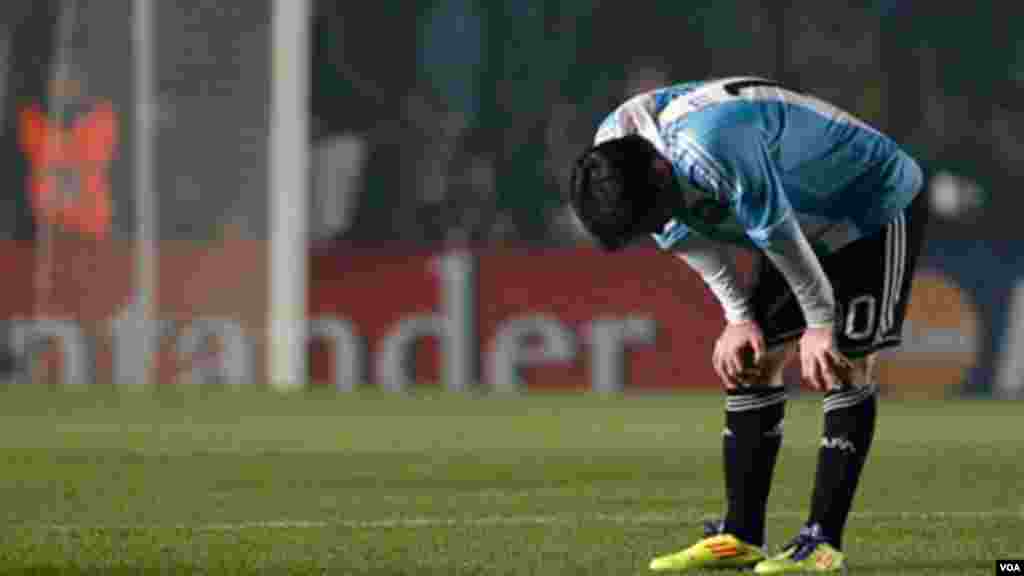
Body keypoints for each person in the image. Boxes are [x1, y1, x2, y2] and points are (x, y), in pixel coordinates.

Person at [568, 77, 927, 574]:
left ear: (659, 170)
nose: (658, 226)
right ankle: (740, 535)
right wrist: (737, 318)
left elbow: (774, 232)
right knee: (751, 361)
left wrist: (820, 324)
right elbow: (678, 233)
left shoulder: (711, 145)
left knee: (842, 361)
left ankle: (822, 542)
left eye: (654, 213)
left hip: (870, 202)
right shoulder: (616, 157)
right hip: (797, 219)